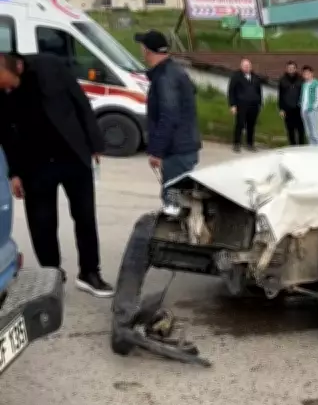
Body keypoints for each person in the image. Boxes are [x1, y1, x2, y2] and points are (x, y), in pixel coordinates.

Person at [0, 52, 114, 297]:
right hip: (35, 165)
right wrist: (14, 173)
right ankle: (51, 275)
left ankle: (89, 273)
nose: (5, 89)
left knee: (84, 216)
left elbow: (79, 101)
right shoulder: (2, 92)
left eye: (5, 82)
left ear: (16, 67)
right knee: (42, 223)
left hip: (72, 154)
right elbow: (6, 134)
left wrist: (94, 143)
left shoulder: (49, 66)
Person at [134, 30, 201, 215]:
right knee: (180, 197)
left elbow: (168, 116)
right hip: (184, 147)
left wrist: (156, 151)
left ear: (147, 51)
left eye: (142, 47)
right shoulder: (175, 71)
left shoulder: (164, 78)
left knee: (173, 201)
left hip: (176, 151)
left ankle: (174, 237)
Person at [227, 58, 264, 152]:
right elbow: (231, 91)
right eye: (245, 66)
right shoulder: (236, 76)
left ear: (251, 67)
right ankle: (236, 144)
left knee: (251, 125)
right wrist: (232, 105)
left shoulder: (255, 77)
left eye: (248, 66)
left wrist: (260, 103)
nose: (247, 67)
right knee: (240, 124)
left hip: (254, 105)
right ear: (241, 66)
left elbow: (259, 91)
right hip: (241, 105)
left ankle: (250, 144)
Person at [277, 61, 305, 145]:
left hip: (299, 108)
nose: (291, 70)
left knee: (301, 129)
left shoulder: (301, 79)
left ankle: (301, 146)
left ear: (296, 69)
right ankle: (293, 146)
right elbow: (280, 95)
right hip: (287, 108)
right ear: (286, 69)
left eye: (293, 68)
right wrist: (281, 108)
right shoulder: (282, 80)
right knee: (290, 129)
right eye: (289, 68)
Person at [300, 65, 318, 146]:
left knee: (315, 131)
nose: (306, 74)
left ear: (312, 73)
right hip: (304, 110)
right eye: (304, 73)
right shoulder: (304, 84)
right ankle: (311, 146)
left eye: (308, 73)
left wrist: (313, 107)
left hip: (313, 110)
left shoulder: (317, 84)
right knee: (308, 131)